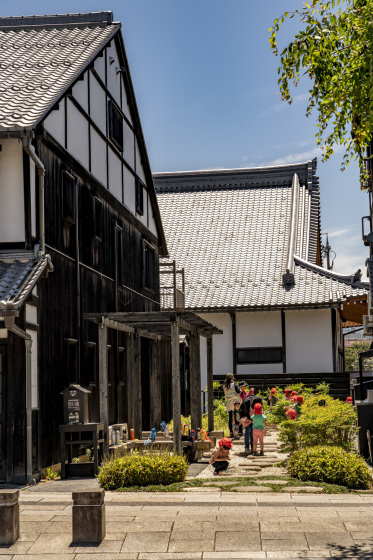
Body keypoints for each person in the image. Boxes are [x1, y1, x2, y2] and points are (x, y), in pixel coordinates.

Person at [222, 373, 241, 438]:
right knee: (237, 416)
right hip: (235, 403)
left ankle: (231, 432)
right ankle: (239, 432)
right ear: (232, 378)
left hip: (228, 403)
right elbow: (239, 391)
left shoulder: (224, 386)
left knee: (230, 418)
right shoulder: (234, 384)